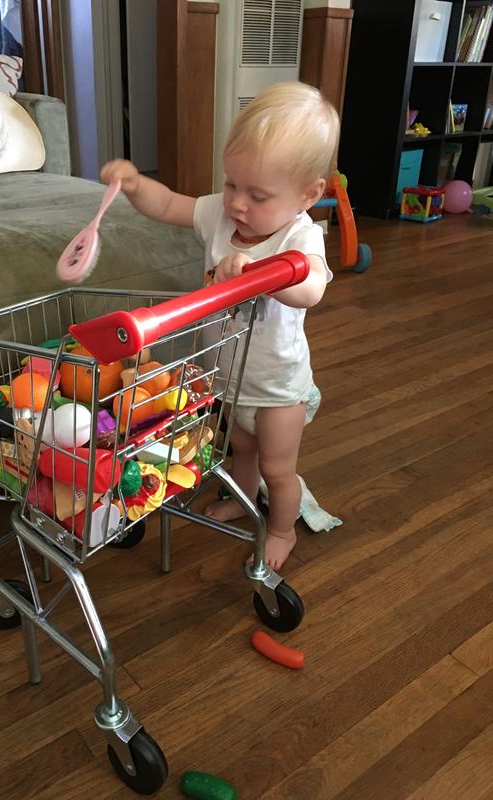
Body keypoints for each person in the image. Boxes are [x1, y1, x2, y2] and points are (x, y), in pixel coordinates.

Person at [100, 81, 340, 570]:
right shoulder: (220, 214)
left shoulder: (300, 234)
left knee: (278, 466)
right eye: (232, 184)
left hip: (276, 386)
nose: (237, 203)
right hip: (226, 372)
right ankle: (242, 498)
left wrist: (261, 275)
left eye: (258, 194)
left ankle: (280, 530)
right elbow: (170, 205)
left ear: (307, 195)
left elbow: (311, 288)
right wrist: (136, 185)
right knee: (241, 451)